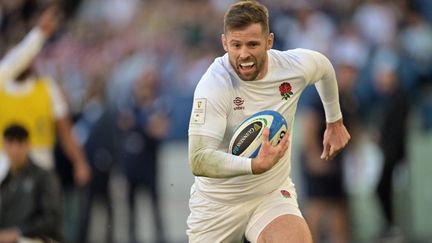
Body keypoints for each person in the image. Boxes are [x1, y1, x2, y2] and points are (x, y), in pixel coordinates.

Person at [187, 1, 350, 242]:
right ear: (224, 43)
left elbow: (324, 67)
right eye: (236, 45)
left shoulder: (291, 68)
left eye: (253, 44)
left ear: (269, 41)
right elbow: (199, 158)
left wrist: (334, 121)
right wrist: (254, 165)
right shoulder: (213, 85)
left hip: (270, 194)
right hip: (218, 204)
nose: (244, 54)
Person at [0, 5, 90, 187]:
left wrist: (80, 161)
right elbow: (12, 64)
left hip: (41, 167)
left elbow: (66, 133)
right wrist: (39, 35)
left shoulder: (47, 89)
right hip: (5, 168)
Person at [117, 68, 170, 243]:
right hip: (131, 167)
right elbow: (122, 125)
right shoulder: (130, 107)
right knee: (131, 209)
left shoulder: (156, 108)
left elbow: (159, 130)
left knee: (155, 207)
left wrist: (140, 123)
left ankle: (160, 237)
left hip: (149, 167)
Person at [0, 124, 63, 243]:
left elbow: (51, 219)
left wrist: (18, 232)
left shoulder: (43, 177)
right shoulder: (5, 181)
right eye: (10, 143)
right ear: (4, 145)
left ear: (28, 144)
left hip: (36, 238)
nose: (15, 149)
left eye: (20, 143)